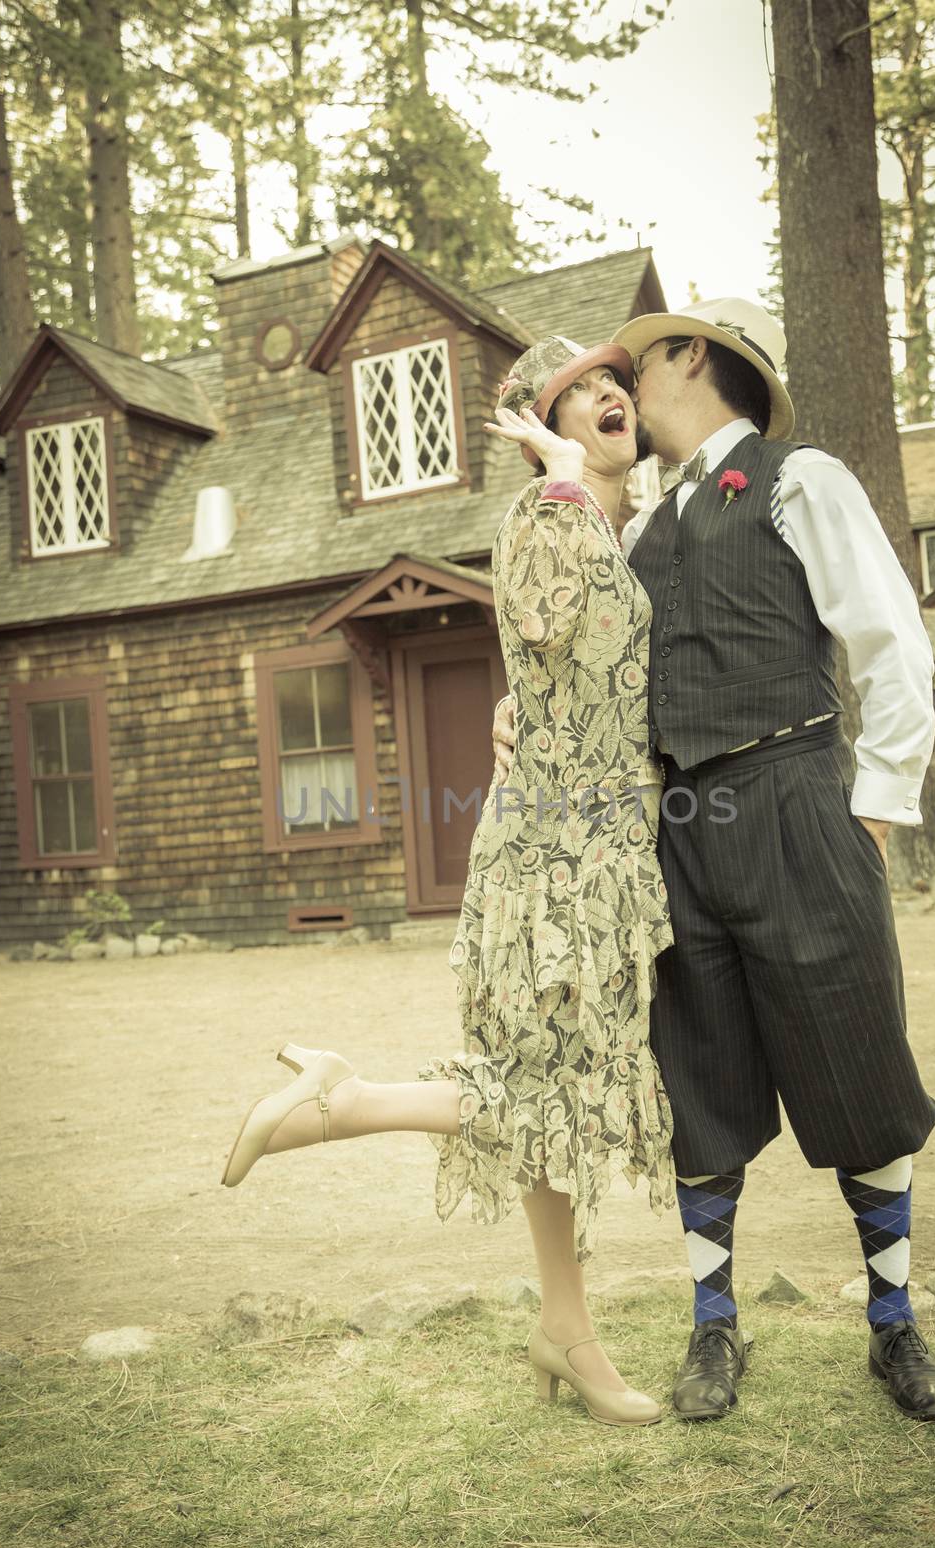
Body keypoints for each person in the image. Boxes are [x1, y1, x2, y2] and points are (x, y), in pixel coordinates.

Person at [492, 298, 935, 1424]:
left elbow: (889, 639)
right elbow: (597, 655)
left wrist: (875, 809)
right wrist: (522, 703)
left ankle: (893, 1327)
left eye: (635, 362)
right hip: (680, 834)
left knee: (857, 1065)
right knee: (696, 1081)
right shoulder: (643, 524)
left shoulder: (800, 478)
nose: (621, 385)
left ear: (689, 359)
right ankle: (714, 1329)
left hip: (799, 801)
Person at [221, 335, 678, 1428]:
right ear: (546, 436)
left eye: (614, 385)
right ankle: (351, 1099)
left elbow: (571, 672)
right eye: (579, 397)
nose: (608, 398)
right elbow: (538, 623)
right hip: (553, 860)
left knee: (555, 1102)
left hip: (602, 847)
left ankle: (563, 1329)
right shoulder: (543, 515)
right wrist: (561, 490)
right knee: (550, 1095)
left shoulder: (624, 526)